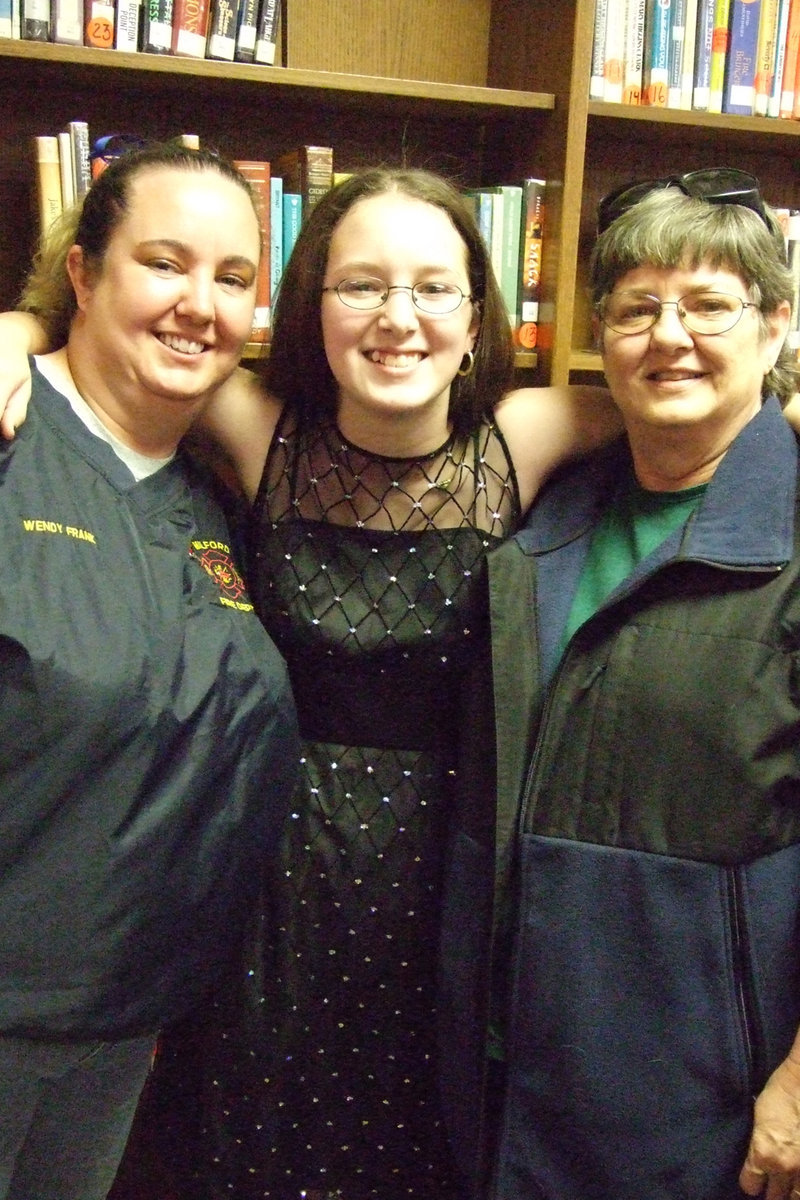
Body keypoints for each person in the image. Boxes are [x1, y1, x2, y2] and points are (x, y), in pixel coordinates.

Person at [0, 166, 628, 1200]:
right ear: (311, 308)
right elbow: (96, 344)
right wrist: (17, 337)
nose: (398, 317)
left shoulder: (528, 438)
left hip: (446, 881)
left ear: (476, 314)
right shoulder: (256, 427)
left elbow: (706, 407)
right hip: (262, 873)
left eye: (433, 287)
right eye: (361, 285)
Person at [441, 168, 800, 1200]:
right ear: (601, 333)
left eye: (708, 305)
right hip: (508, 1071)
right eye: (637, 307)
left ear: (774, 326)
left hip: (701, 1098)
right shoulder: (542, 518)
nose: (669, 334)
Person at [0, 141, 298, 1200]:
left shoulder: (213, 492)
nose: (198, 305)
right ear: (81, 273)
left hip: (127, 1030)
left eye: (231, 278)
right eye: (163, 263)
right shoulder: (11, 438)